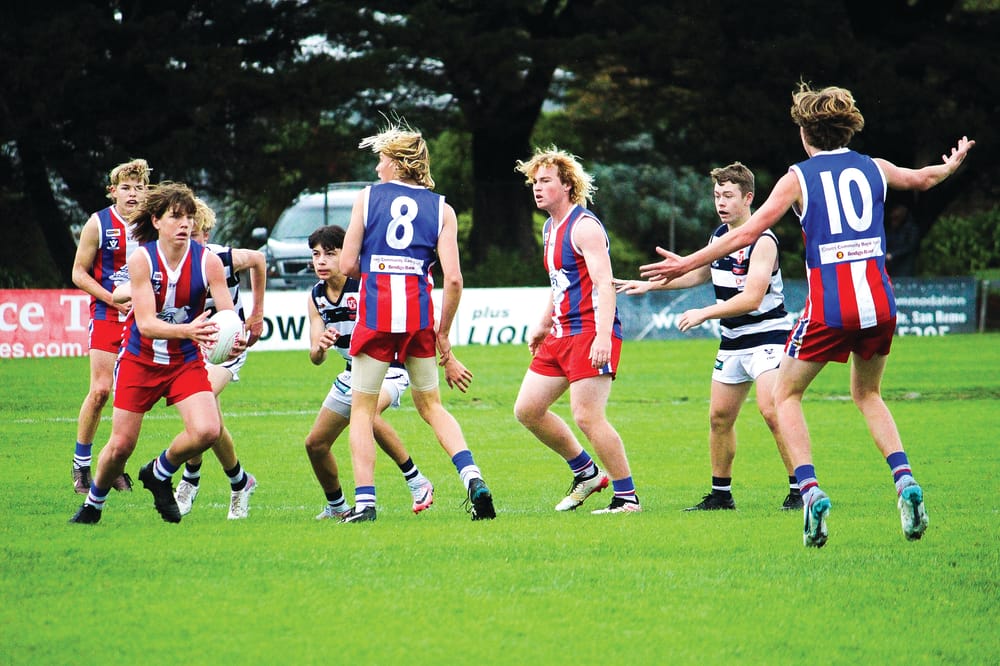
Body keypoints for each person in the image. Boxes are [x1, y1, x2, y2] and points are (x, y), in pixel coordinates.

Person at [640, 82, 975, 547]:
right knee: (868, 394)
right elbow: (921, 180)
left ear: (804, 132)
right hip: (880, 303)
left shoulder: (797, 177)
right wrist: (950, 164)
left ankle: (811, 491)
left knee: (785, 396)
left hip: (831, 307)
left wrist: (687, 261)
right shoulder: (873, 167)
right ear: (846, 129)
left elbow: (746, 233)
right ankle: (905, 482)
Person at [615, 162, 800, 511]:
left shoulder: (763, 240)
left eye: (728, 195)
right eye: (717, 195)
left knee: (772, 410)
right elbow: (699, 273)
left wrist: (704, 313)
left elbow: (753, 297)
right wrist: (650, 285)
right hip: (733, 340)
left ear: (749, 198)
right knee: (719, 418)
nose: (721, 202)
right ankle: (720, 495)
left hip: (769, 337)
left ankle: (800, 488)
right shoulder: (718, 237)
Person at [339, 120, 496, 523]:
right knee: (433, 407)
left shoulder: (367, 197)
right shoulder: (443, 208)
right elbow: (455, 279)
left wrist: (377, 271)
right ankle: (472, 477)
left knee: (361, 410)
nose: (377, 168)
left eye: (380, 160)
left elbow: (345, 264)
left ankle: (366, 503)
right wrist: (443, 335)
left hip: (376, 315)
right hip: (419, 317)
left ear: (396, 162)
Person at [70, 182, 244, 524]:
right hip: (140, 360)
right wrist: (191, 330)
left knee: (208, 430)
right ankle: (93, 504)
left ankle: (158, 472)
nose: (185, 224)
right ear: (156, 221)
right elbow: (147, 324)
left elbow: (227, 316)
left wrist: (234, 336)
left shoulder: (208, 262)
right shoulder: (141, 260)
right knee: (120, 446)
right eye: (176, 217)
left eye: (189, 217)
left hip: (184, 361)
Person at [114, 198, 264, 519]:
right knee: (211, 422)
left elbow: (259, 260)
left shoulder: (220, 258)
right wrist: (134, 296)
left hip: (223, 347)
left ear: (206, 235)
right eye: (183, 230)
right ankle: (239, 481)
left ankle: (189, 478)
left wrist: (256, 315)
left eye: (196, 234)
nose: (188, 240)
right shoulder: (160, 260)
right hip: (190, 346)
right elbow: (117, 293)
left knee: (203, 401)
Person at [512, 146, 640, 515]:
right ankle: (586, 472)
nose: (537, 188)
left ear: (567, 185)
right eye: (535, 182)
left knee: (587, 416)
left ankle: (627, 498)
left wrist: (603, 337)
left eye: (546, 181)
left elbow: (603, 284)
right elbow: (560, 283)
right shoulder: (550, 228)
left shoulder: (584, 226)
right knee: (528, 410)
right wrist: (541, 322)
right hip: (560, 332)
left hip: (589, 332)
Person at [306, 224, 464, 520]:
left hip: (390, 368)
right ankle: (338, 505)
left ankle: (417, 480)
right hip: (352, 374)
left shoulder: (365, 284)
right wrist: (321, 345)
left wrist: (447, 354)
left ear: (348, 253)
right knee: (315, 444)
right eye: (316, 255)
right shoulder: (316, 296)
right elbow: (315, 356)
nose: (321, 261)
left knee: (364, 413)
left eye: (330, 253)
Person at [69, 158, 151, 495]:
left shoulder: (153, 225)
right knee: (101, 390)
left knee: (129, 397)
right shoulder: (98, 223)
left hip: (143, 319)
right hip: (108, 314)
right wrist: (111, 298)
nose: (133, 194)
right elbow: (78, 272)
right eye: (126, 188)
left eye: (139, 188)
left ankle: (113, 466)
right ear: (112, 191)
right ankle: (81, 465)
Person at [884, 202, 920, 276]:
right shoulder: (891, 228)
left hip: (904, 267)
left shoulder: (911, 228)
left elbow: (910, 246)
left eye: (896, 217)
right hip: (890, 266)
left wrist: (893, 254)